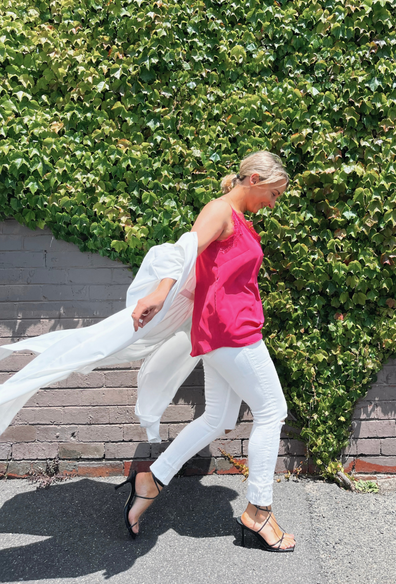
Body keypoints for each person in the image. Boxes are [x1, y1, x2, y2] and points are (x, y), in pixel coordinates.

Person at [116, 151, 296, 552]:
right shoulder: (219, 211)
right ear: (252, 178)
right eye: (273, 193)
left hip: (228, 328)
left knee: (217, 418)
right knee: (272, 411)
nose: (273, 202)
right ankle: (259, 513)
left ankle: (151, 479)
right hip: (231, 329)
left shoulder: (239, 220)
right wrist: (160, 293)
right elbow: (184, 252)